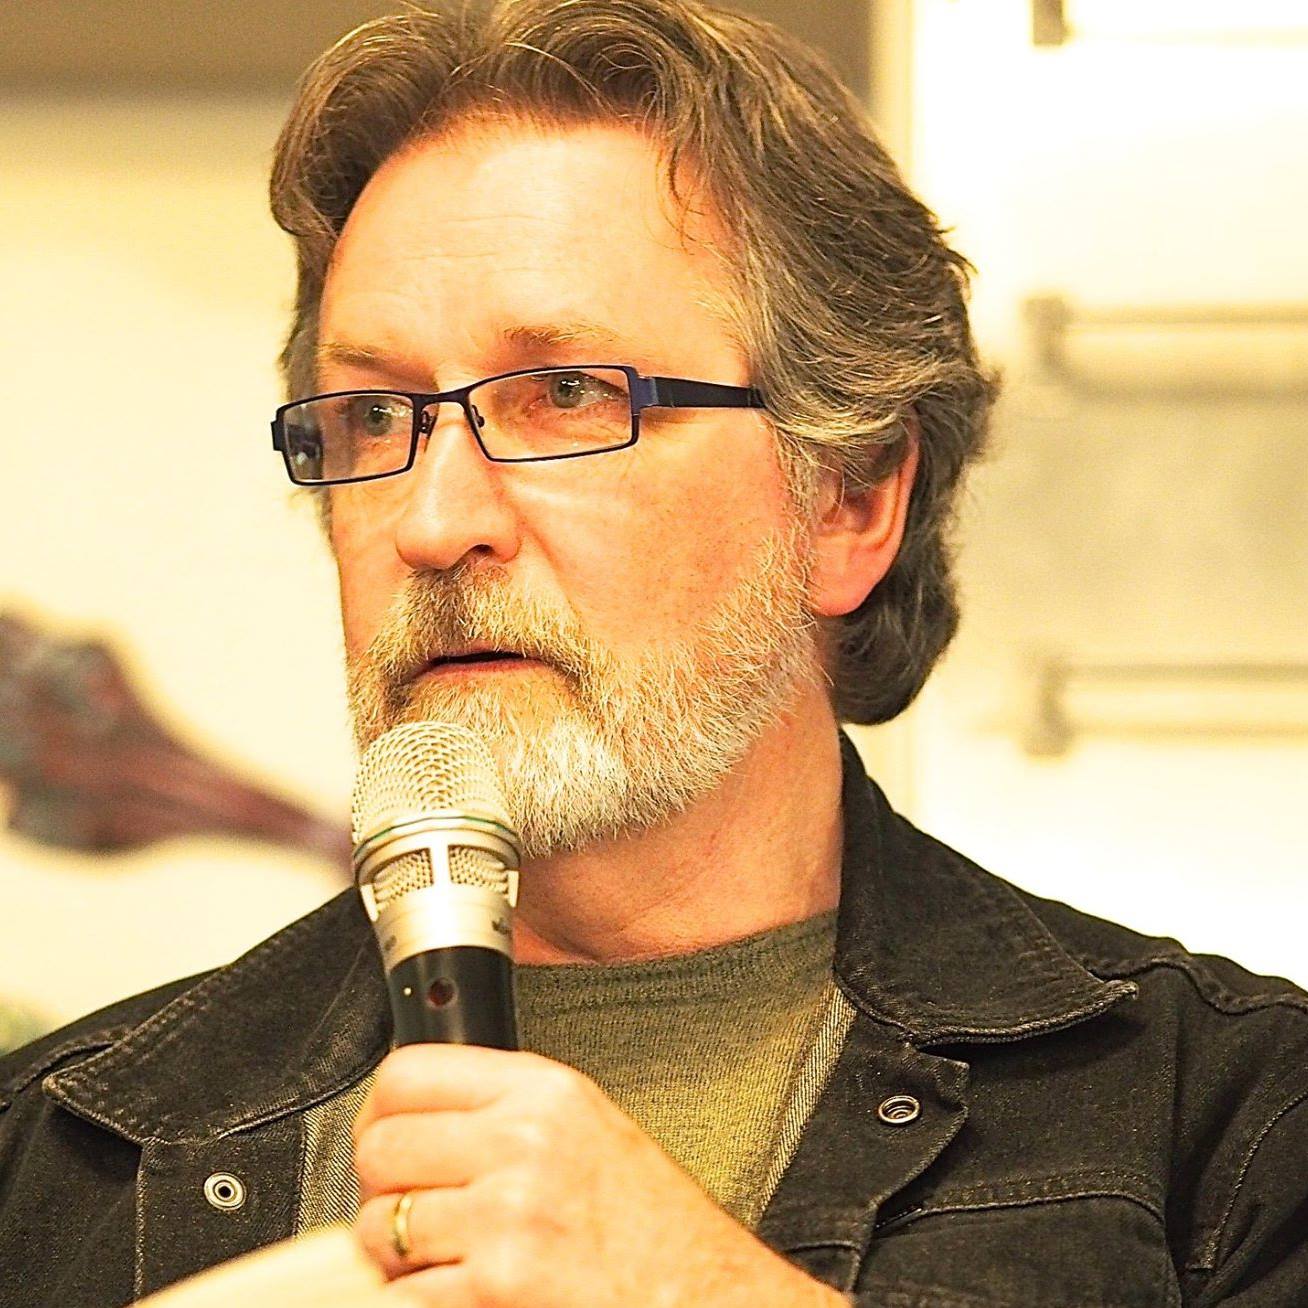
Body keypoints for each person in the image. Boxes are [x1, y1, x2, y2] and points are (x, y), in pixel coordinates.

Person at [2, 2, 1305, 1305]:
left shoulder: (1234, 1129)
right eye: (376, 417)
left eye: (567, 395)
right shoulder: (44, 1159)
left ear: (850, 499)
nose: (435, 523)